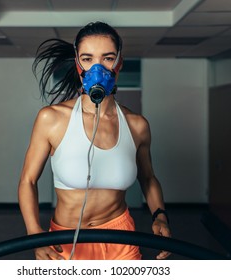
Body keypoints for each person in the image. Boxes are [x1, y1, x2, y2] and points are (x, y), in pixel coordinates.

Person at [18, 21, 171, 260]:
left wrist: (159, 215)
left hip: (121, 239)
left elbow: (148, 177)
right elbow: (28, 180)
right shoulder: (52, 119)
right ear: (77, 62)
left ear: (119, 62)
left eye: (107, 58)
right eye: (87, 59)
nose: (97, 68)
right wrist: (34, 234)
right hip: (64, 241)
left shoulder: (137, 125)